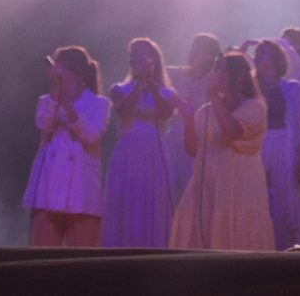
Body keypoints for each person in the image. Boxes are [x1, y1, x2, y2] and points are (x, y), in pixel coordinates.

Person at [169, 52, 275, 250]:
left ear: (240, 76)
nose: (217, 75)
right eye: (216, 70)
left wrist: (212, 95)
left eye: (223, 71)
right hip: (207, 187)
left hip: (239, 187)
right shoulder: (206, 111)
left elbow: (232, 131)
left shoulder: (255, 107)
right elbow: (192, 150)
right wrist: (188, 120)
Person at [23, 46, 111, 247]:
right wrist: (56, 96)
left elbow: (91, 134)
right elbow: (45, 126)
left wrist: (69, 109)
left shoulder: (99, 104)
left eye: (60, 68)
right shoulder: (47, 101)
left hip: (81, 188)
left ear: (75, 72)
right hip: (48, 187)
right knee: (42, 255)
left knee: (81, 257)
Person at [103, 38, 178, 248]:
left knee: (154, 203)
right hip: (128, 152)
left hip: (154, 153)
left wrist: (153, 88)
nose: (138, 60)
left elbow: (165, 113)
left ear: (155, 60)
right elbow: (123, 112)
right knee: (127, 202)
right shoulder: (119, 89)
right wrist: (139, 85)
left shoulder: (167, 93)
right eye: (134, 56)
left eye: (143, 55)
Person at [253, 39, 300, 249]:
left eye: (265, 52)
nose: (260, 56)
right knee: (259, 201)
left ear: (276, 58)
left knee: (284, 206)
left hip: (285, 151)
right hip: (256, 150)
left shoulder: (292, 89)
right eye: (258, 53)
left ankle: (284, 250)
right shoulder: (249, 88)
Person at [163, 33, 222, 204]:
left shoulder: (214, 80)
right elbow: (157, 71)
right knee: (166, 191)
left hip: (200, 142)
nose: (190, 51)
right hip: (174, 139)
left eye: (196, 48)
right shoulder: (178, 74)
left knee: (193, 194)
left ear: (209, 55)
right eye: (191, 47)